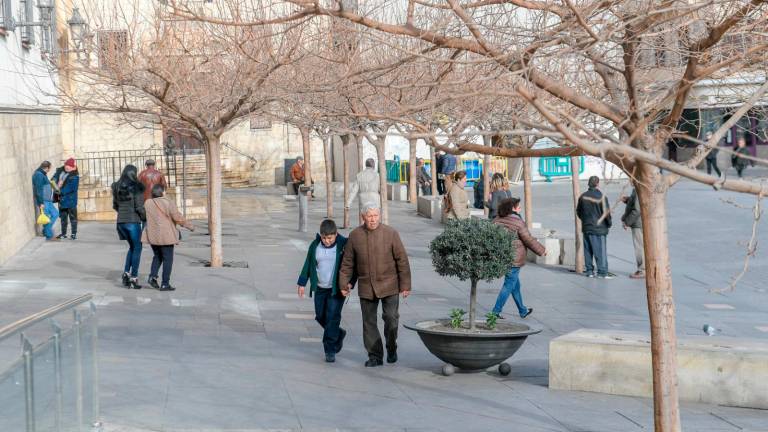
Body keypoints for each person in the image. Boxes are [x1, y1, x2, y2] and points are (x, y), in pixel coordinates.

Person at [339, 205, 411, 367]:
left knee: (391, 319)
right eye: (369, 216)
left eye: (375, 215)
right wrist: (344, 283)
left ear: (380, 216)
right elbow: (348, 263)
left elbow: (402, 260)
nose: (372, 219)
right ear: (363, 217)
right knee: (368, 322)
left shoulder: (391, 233)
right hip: (367, 286)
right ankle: (375, 356)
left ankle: (391, 347)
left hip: (390, 284)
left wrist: (405, 284)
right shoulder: (355, 235)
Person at [296, 219, 353, 363]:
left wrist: (349, 283)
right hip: (320, 288)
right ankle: (338, 333)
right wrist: (302, 283)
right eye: (324, 237)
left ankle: (330, 349)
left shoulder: (343, 245)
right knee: (320, 316)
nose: (327, 241)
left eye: (330, 238)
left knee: (333, 316)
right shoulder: (315, 245)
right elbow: (308, 263)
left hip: (336, 290)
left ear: (336, 234)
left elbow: (351, 265)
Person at [491, 198, 545, 319]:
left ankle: (522, 310)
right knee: (509, 285)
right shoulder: (518, 222)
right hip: (514, 259)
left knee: (515, 285)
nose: (520, 208)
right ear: (512, 209)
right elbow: (528, 239)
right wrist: (542, 250)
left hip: (502, 256)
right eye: (518, 206)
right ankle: (495, 312)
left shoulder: (496, 220)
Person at [142, 184, 194, 291]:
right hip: (166, 236)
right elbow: (178, 218)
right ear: (163, 192)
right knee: (167, 259)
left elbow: (144, 216)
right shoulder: (168, 202)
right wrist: (190, 226)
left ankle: (152, 276)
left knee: (157, 256)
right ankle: (165, 283)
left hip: (153, 235)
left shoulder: (147, 203)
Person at [112, 165, 146, 289]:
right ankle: (134, 277)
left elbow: (115, 205)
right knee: (138, 248)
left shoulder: (116, 186)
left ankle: (126, 273)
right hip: (133, 222)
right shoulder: (137, 187)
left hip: (121, 222)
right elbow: (139, 207)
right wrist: (145, 218)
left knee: (132, 247)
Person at [576, 176, 614, 279]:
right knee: (600, 251)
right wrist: (609, 224)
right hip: (599, 228)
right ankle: (602, 272)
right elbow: (606, 214)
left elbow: (578, 212)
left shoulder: (582, 197)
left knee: (588, 250)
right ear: (597, 184)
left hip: (587, 227)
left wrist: (585, 221)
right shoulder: (601, 197)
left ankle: (589, 271)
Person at [52, 158, 80, 240]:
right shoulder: (60, 171)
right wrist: (54, 182)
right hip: (62, 200)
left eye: (68, 166)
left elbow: (72, 188)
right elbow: (54, 178)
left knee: (73, 219)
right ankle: (63, 234)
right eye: (66, 165)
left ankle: (73, 234)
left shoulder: (75, 176)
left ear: (72, 167)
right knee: (63, 218)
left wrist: (60, 190)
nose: (66, 167)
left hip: (70, 200)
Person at [346, 158, 380, 223]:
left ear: (366, 165)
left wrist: (348, 203)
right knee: (374, 218)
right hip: (375, 199)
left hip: (363, 200)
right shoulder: (377, 175)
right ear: (373, 165)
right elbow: (380, 188)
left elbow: (354, 191)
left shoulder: (359, 175)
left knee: (364, 218)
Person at [621, 188, 644, 279]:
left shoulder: (638, 189)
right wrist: (628, 200)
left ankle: (642, 270)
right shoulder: (638, 188)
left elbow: (637, 210)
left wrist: (627, 222)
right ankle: (644, 268)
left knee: (639, 247)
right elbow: (637, 202)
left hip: (638, 223)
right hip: (640, 222)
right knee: (641, 246)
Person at [33, 161, 59, 241]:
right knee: (47, 217)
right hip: (44, 201)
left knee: (55, 213)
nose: (49, 170)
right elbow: (39, 189)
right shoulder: (38, 175)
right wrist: (41, 203)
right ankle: (49, 235)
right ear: (47, 168)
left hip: (48, 200)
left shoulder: (42, 174)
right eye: (49, 168)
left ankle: (46, 230)